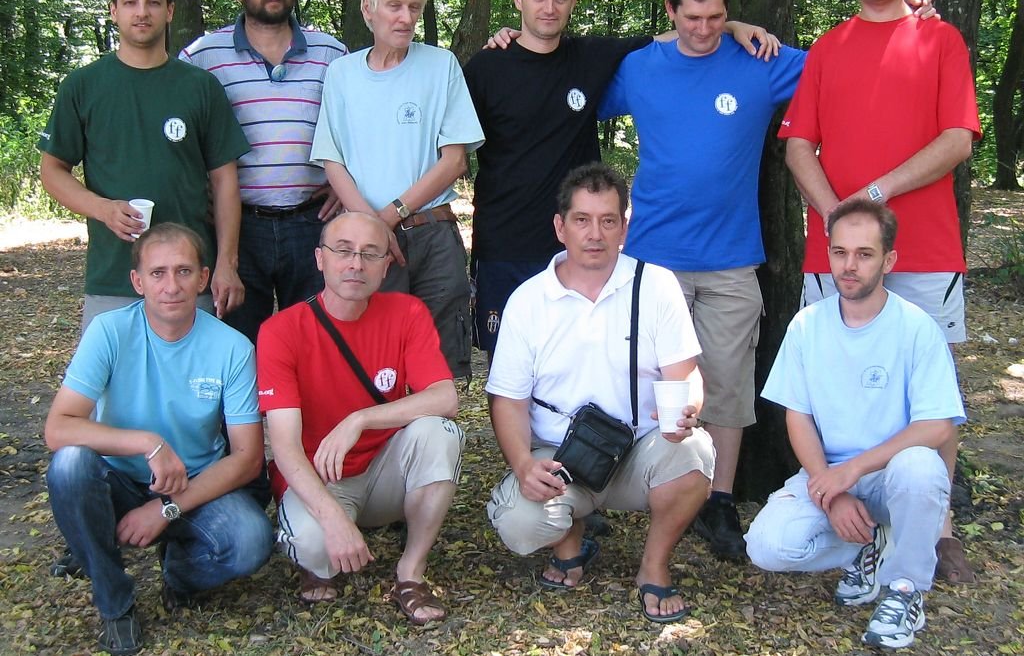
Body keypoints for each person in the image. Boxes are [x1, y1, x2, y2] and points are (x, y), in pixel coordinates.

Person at [781, 0, 981, 582]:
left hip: (924, 248)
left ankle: (938, 530)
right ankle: (838, 507)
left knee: (934, 391)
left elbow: (958, 139)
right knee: (828, 386)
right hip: (835, 256)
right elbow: (798, 146)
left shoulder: (940, 40)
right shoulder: (828, 47)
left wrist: (875, 193)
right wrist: (838, 216)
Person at [464, 0, 779, 360]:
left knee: (586, 362)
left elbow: (681, 35)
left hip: (582, 244)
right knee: (510, 366)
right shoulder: (485, 69)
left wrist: (733, 27)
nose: (549, 7)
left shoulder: (592, 58)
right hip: (504, 246)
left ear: (574, 1)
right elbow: (453, 150)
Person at [597, 0, 806, 560]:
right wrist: (510, 39)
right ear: (671, 10)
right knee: (641, 380)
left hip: (731, 259)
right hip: (651, 258)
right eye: (692, 18)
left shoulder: (758, 62)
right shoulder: (641, 68)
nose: (705, 29)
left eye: (717, 18)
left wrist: (905, 17)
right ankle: (636, 487)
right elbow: (567, 83)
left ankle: (718, 502)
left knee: (728, 385)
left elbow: (840, 68)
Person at [486, 163, 715, 624]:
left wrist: (689, 408)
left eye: (608, 220)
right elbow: (507, 400)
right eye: (582, 220)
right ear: (560, 227)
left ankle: (654, 564)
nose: (595, 234)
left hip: (639, 448)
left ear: (624, 228)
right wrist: (524, 464)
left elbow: (686, 374)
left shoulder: (656, 285)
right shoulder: (528, 300)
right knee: (518, 523)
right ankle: (569, 540)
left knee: (695, 452)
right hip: (560, 457)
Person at [44, 223, 274, 656]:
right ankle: (115, 601)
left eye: (184, 271)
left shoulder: (233, 347)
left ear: (203, 278)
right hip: (116, 479)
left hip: (194, 484)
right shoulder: (109, 331)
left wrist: (166, 508)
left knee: (250, 541)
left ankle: (178, 571)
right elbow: (58, 428)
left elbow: (247, 458)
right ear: (137, 281)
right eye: (158, 273)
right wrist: (149, 443)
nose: (172, 286)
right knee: (70, 464)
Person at [745, 200, 963, 650]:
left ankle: (905, 590)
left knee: (921, 467)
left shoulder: (917, 328)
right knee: (767, 546)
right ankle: (869, 545)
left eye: (864, 254)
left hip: (893, 478)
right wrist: (834, 492)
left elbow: (938, 425)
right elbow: (797, 416)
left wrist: (854, 470)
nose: (849, 265)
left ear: (889, 260)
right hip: (828, 474)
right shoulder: (807, 325)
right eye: (840, 252)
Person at [257, 211, 464, 623]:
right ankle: (320, 555)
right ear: (320, 259)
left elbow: (445, 398)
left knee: (440, 432)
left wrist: (360, 419)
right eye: (344, 251)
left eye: (370, 254)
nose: (356, 264)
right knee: (315, 548)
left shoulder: (406, 312)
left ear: (386, 265)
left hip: (384, 471)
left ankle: (411, 572)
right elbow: (284, 447)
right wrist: (331, 517)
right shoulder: (282, 330)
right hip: (320, 476)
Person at [39, 0, 250, 330]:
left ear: (169, 11)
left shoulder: (200, 87)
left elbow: (225, 181)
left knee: (193, 368)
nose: (141, 12)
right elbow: (52, 170)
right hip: (113, 276)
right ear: (113, 11)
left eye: (153, 2)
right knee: (112, 369)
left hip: (188, 277)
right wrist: (103, 209)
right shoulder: (83, 86)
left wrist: (226, 264)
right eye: (130, 2)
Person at [310, 0, 483, 379]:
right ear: (368, 10)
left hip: (432, 234)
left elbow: (455, 160)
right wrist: (371, 229)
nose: (406, 18)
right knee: (371, 362)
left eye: (414, 7)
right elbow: (332, 159)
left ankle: (434, 424)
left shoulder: (440, 66)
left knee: (439, 365)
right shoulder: (342, 74)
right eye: (395, 6)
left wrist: (388, 217)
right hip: (363, 244)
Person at [180, 0, 349, 344]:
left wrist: (344, 187)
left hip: (313, 221)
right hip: (237, 226)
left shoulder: (332, 54)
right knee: (236, 346)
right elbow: (179, 138)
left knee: (315, 343)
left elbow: (359, 132)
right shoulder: (202, 58)